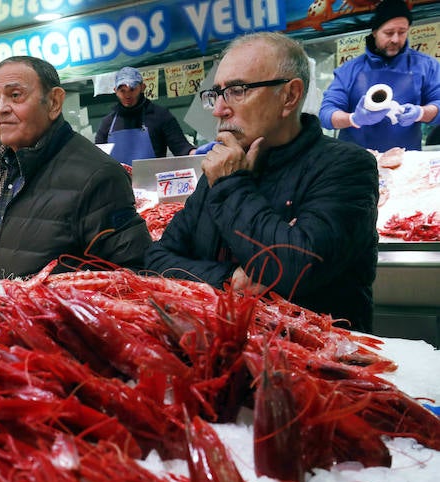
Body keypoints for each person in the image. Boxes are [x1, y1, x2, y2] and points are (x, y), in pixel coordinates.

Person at [145, 32, 379, 333]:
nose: (219, 110)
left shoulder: (345, 166)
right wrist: (229, 279)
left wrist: (232, 185)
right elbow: (155, 260)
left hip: (316, 361)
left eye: (238, 90)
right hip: (224, 350)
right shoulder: (220, 168)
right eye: (216, 93)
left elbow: (295, 269)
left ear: (290, 96)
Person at [0, 55, 151, 279]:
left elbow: (134, 277)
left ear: (54, 103)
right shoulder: (0, 169)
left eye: (15, 95)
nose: (1, 109)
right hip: (4, 311)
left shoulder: (100, 176)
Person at [319, 0, 440, 151]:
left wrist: (420, 113)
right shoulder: (349, 69)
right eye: (389, 33)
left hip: (405, 160)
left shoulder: (426, 66)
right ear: (375, 32)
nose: (395, 39)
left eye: (402, 32)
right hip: (354, 160)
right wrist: (352, 119)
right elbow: (326, 114)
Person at [95, 66, 195, 163]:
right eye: (122, 91)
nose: (127, 95)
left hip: (152, 178)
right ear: (115, 91)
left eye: (132, 90)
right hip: (120, 179)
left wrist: (195, 153)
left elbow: (181, 147)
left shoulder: (160, 115)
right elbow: (97, 158)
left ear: (142, 87)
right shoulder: (107, 123)